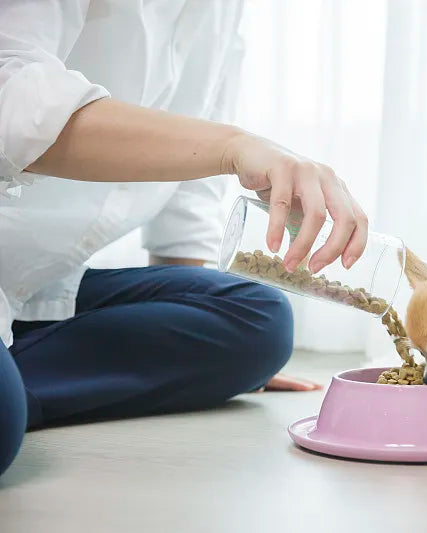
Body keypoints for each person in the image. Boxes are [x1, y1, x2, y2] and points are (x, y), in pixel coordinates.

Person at [0, 1, 368, 478]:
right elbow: (10, 91)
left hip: (36, 279)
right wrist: (234, 147)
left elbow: (190, 186)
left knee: (257, 320)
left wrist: (206, 355)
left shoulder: (220, 13)